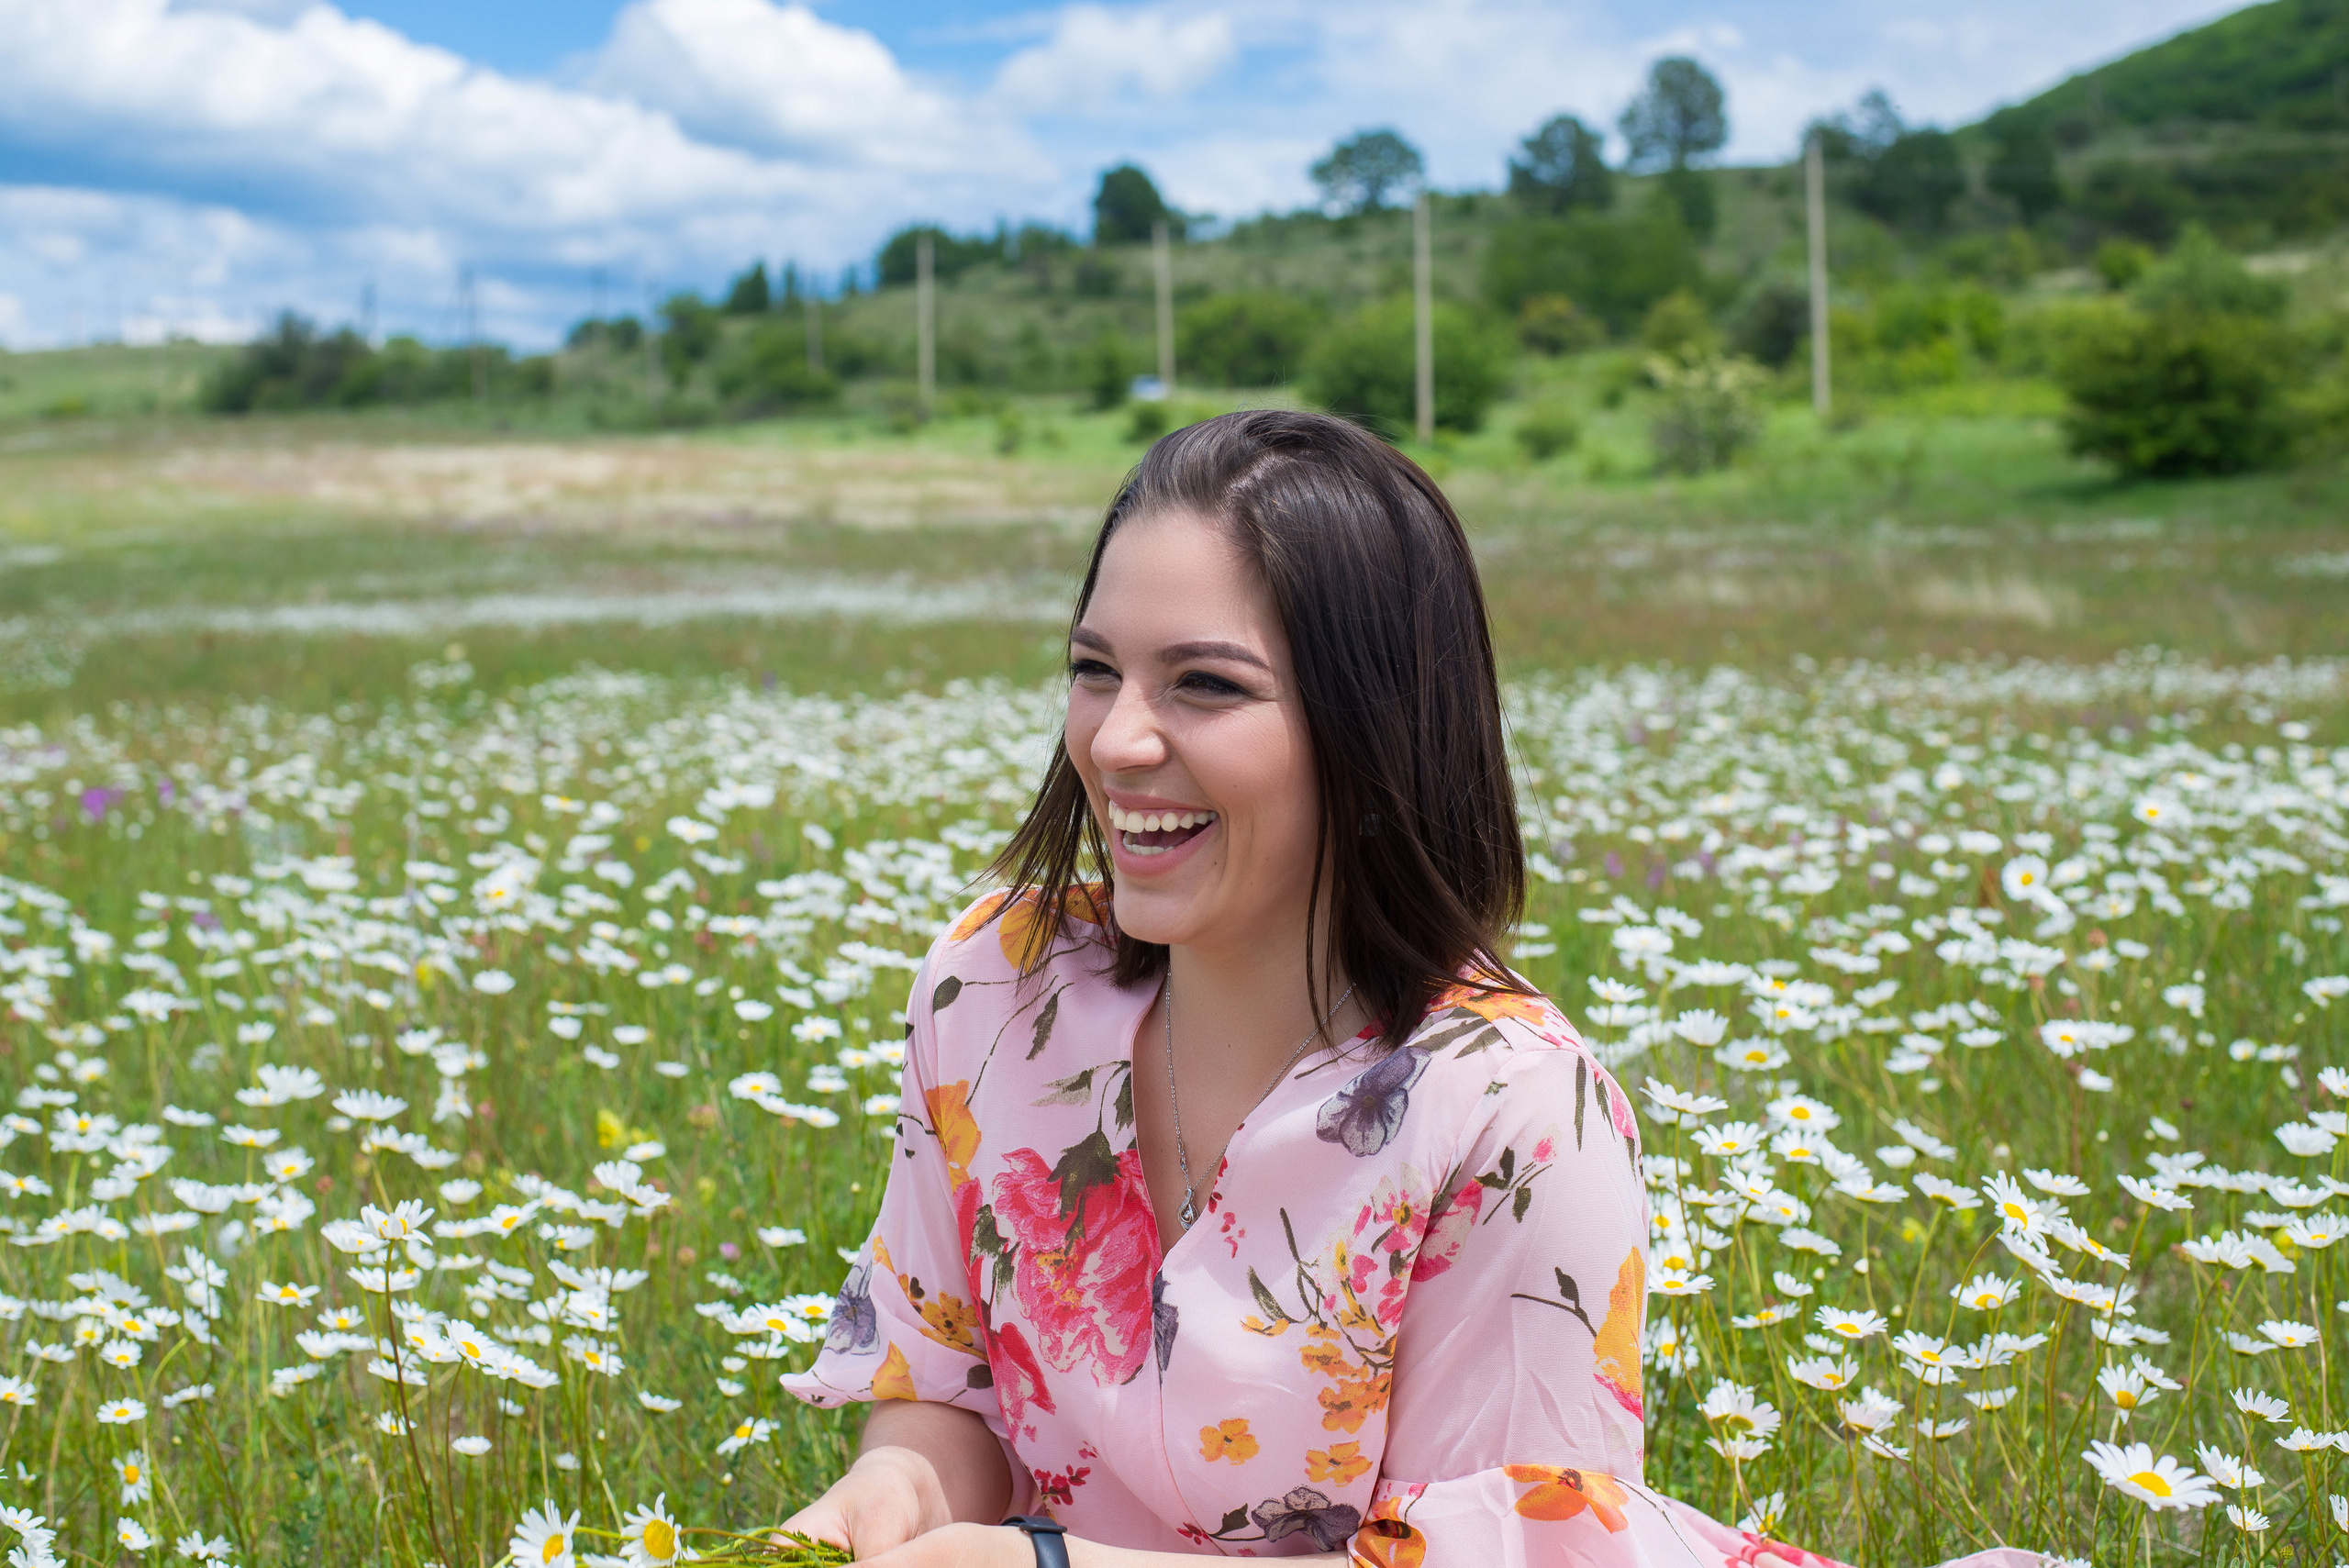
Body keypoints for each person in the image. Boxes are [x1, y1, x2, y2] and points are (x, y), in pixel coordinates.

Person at [779, 412, 2034, 1568]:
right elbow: (948, 1387)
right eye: (1096, 668)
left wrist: (1051, 1563)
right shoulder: (997, 991)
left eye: (1205, 684)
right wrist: (902, 1487)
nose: (1116, 739)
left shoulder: (1515, 1114)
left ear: (1372, 724)